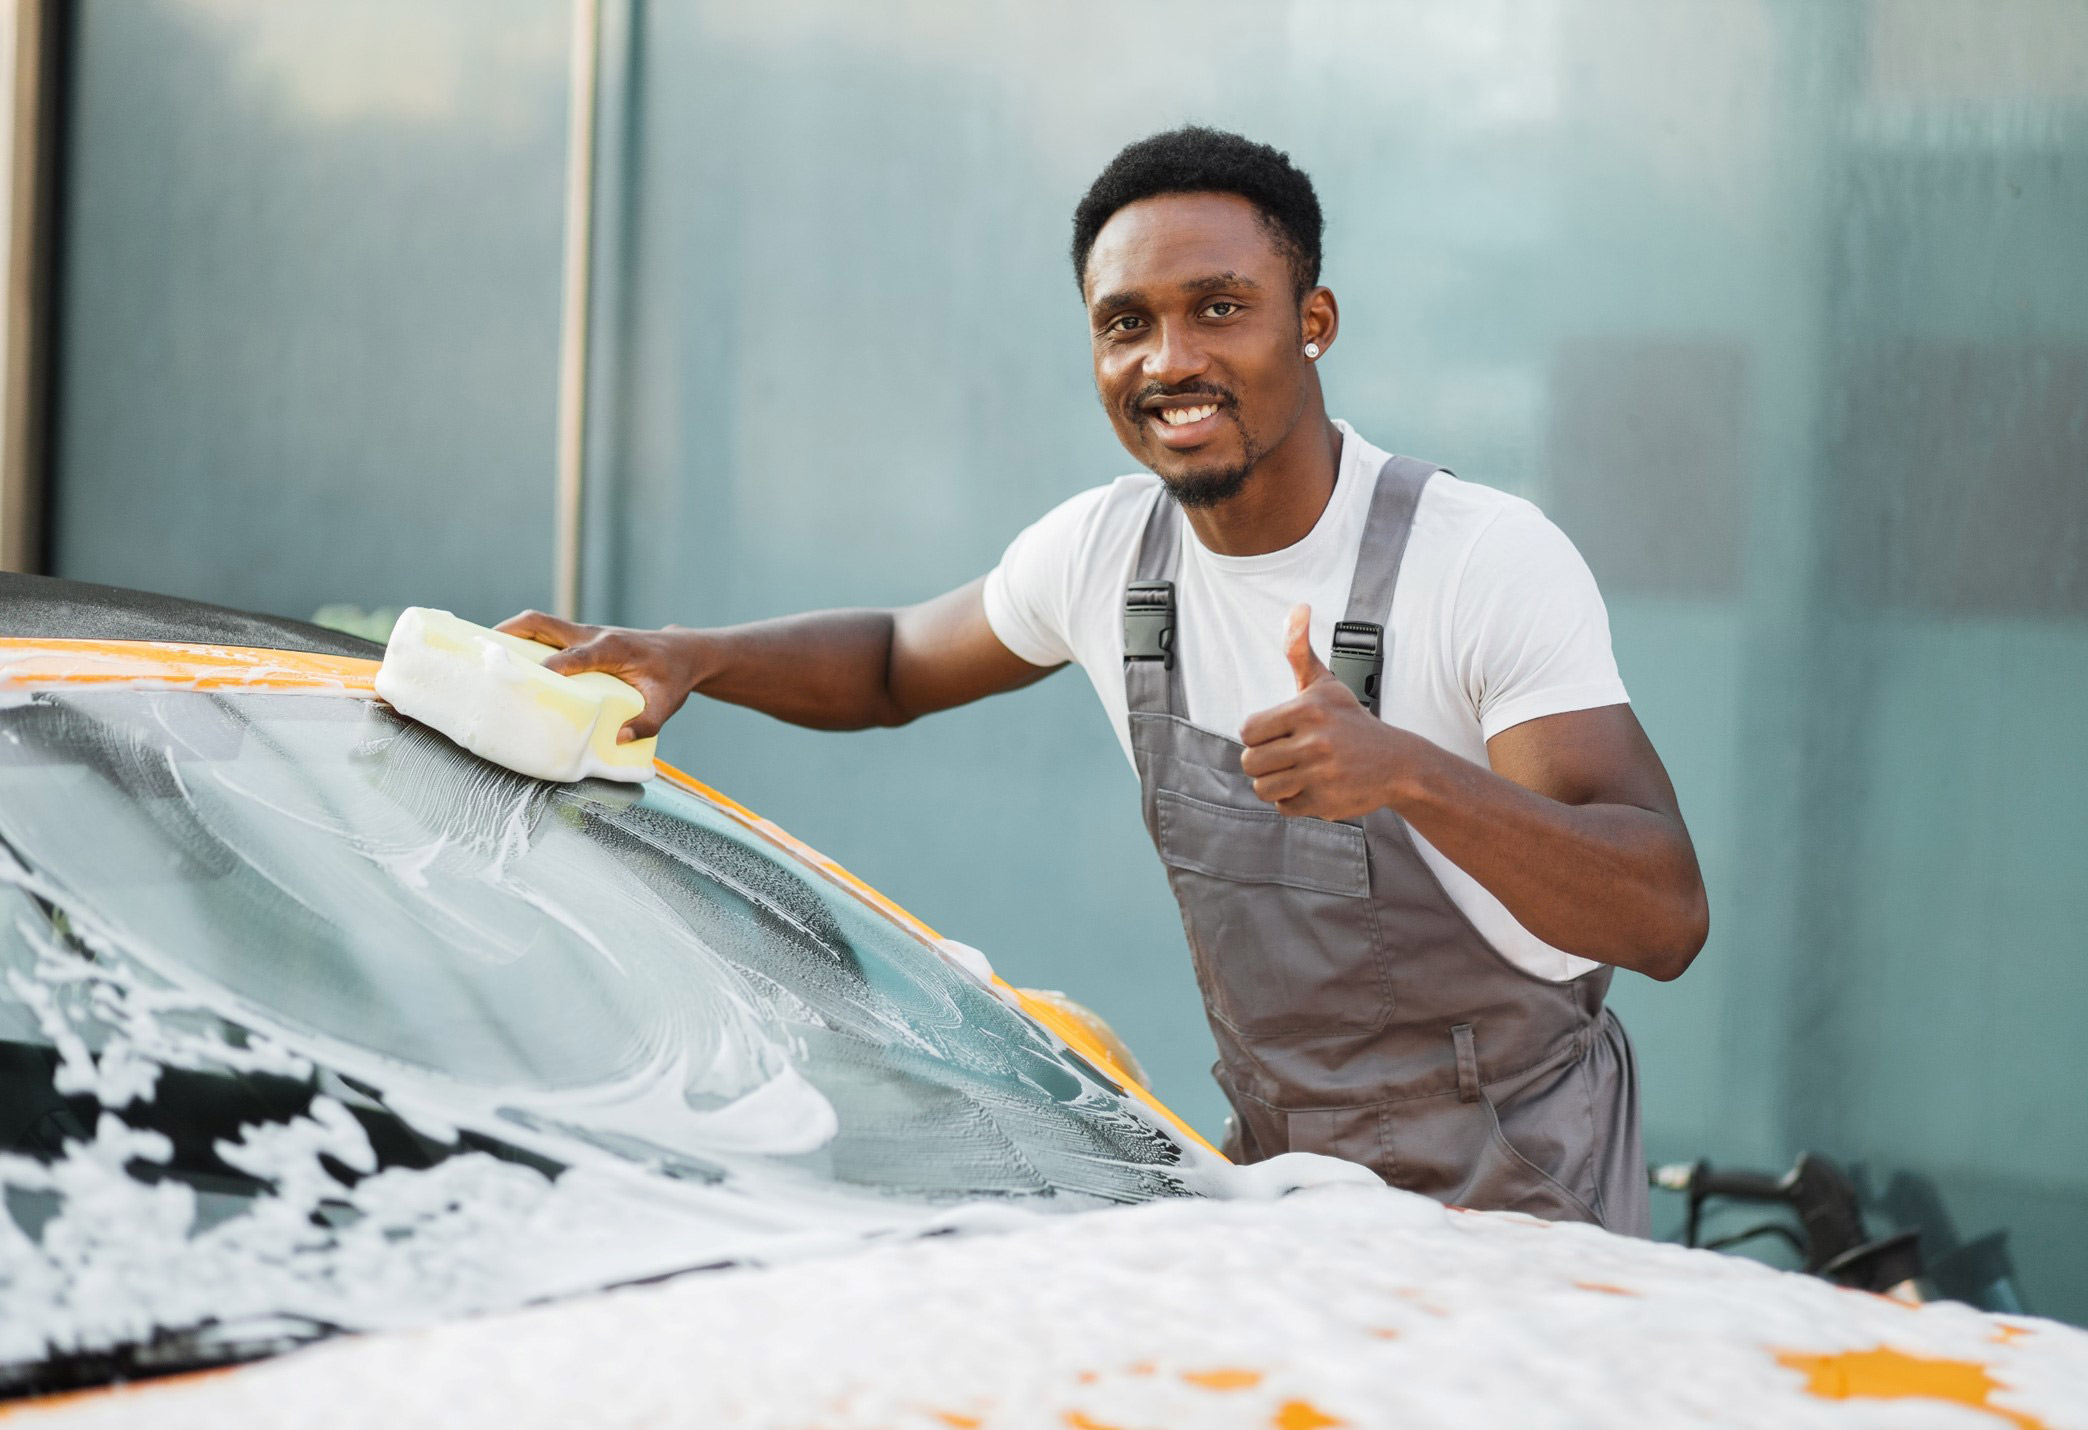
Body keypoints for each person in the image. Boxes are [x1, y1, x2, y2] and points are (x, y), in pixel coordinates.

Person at [502, 126, 1706, 1236]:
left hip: (1521, 1206)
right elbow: (887, 663)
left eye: (1220, 308)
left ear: (1315, 320)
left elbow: (1663, 915)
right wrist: (692, 654)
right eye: (1126, 322)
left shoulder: (1481, 558)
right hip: (1286, 1189)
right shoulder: (1106, 553)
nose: (1170, 360)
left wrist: (1410, 776)